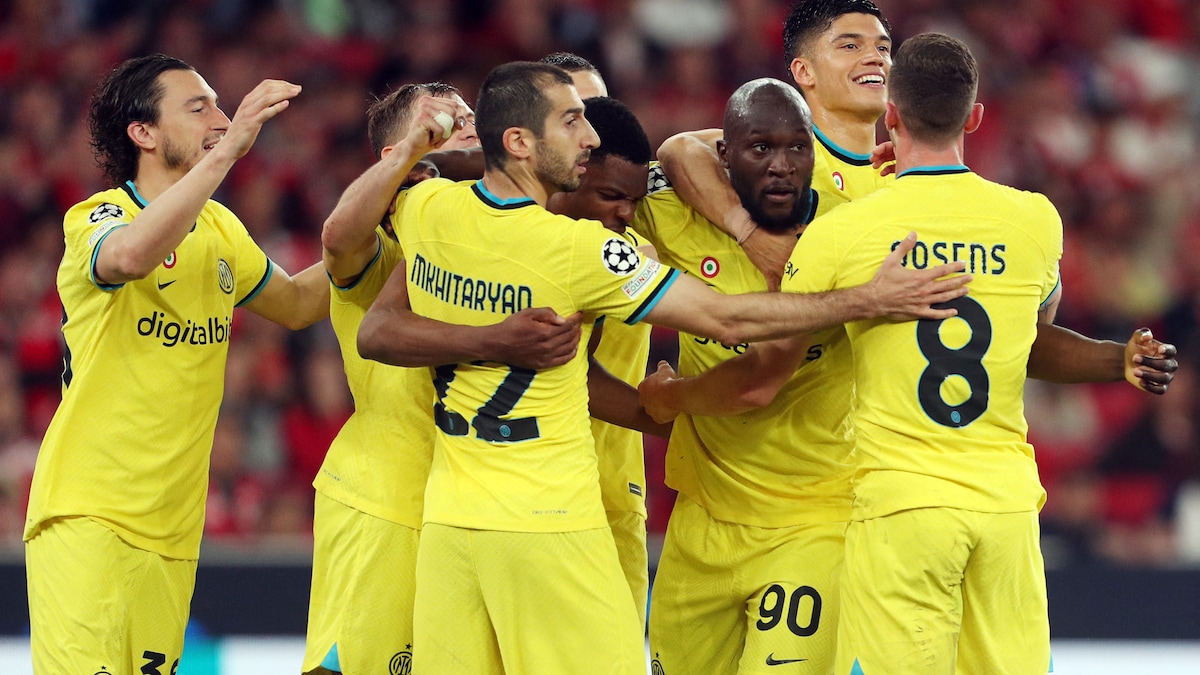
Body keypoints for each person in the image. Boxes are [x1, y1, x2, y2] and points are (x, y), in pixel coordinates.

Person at [355, 61, 970, 674]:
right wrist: (866, 299)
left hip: (453, 519)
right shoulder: (585, 251)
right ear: (520, 142)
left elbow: (367, 309)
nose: (588, 138)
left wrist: (412, 156)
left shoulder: (431, 209)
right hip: (551, 519)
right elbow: (725, 319)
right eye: (571, 122)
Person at [778, 33, 1169, 674]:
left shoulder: (843, 231)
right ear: (975, 117)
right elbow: (1028, 342)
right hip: (1004, 508)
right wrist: (1115, 358)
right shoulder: (1035, 221)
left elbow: (776, 352)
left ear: (891, 116)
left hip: (903, 506)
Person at [23, 54, 330, 674]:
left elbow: (299, 303)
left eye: (219, 105)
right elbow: (129, 257)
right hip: (91, 514)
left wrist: (392, 227)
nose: (221, 119)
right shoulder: (99, 217)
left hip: (173, 531)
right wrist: (228, 156)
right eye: (199, 107)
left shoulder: (220, 229)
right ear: (143, 132)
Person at [301, 82, 581, 675]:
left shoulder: (508, 242)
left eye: (473, 122)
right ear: (405, 160)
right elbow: (336, 239)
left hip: (470, 509)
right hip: (387, 503)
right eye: (451, 127)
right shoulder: (381, 249)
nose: (474, 136)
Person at [635, 76, 854, 674]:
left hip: (812, 525)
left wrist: (668, 397)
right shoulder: (675, 211)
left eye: (797, 147)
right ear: (725, 155)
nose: (782, 166)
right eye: (761, 148)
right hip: (700, 519)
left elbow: (756, 383)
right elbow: (673, 151)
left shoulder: (845, 232)